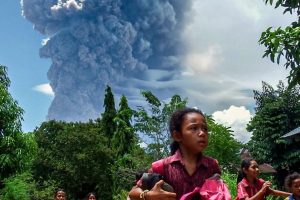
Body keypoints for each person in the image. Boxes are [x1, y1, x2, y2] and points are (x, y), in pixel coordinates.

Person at [128, 107, 221, 200]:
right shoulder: (161, 166)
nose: (202, 133)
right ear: (177, 135)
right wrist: (148, 195)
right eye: (194, 128)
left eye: (205, 129)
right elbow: (133, 192)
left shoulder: (212, 166)